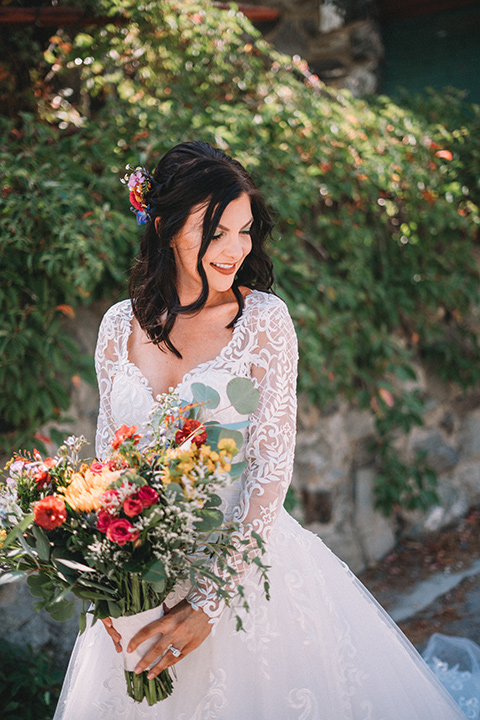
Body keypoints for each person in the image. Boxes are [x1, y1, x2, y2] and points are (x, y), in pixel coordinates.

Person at [54, 141, 469, 719]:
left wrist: (209, 604)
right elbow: (107, 476)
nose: (234, 250)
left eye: (245, 232)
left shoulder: (265, 323)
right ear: (168, 228)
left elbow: (269, 479)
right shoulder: (117, 326)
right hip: (141, 586)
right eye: (216, 231)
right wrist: (111, 591)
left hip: (241, 576)